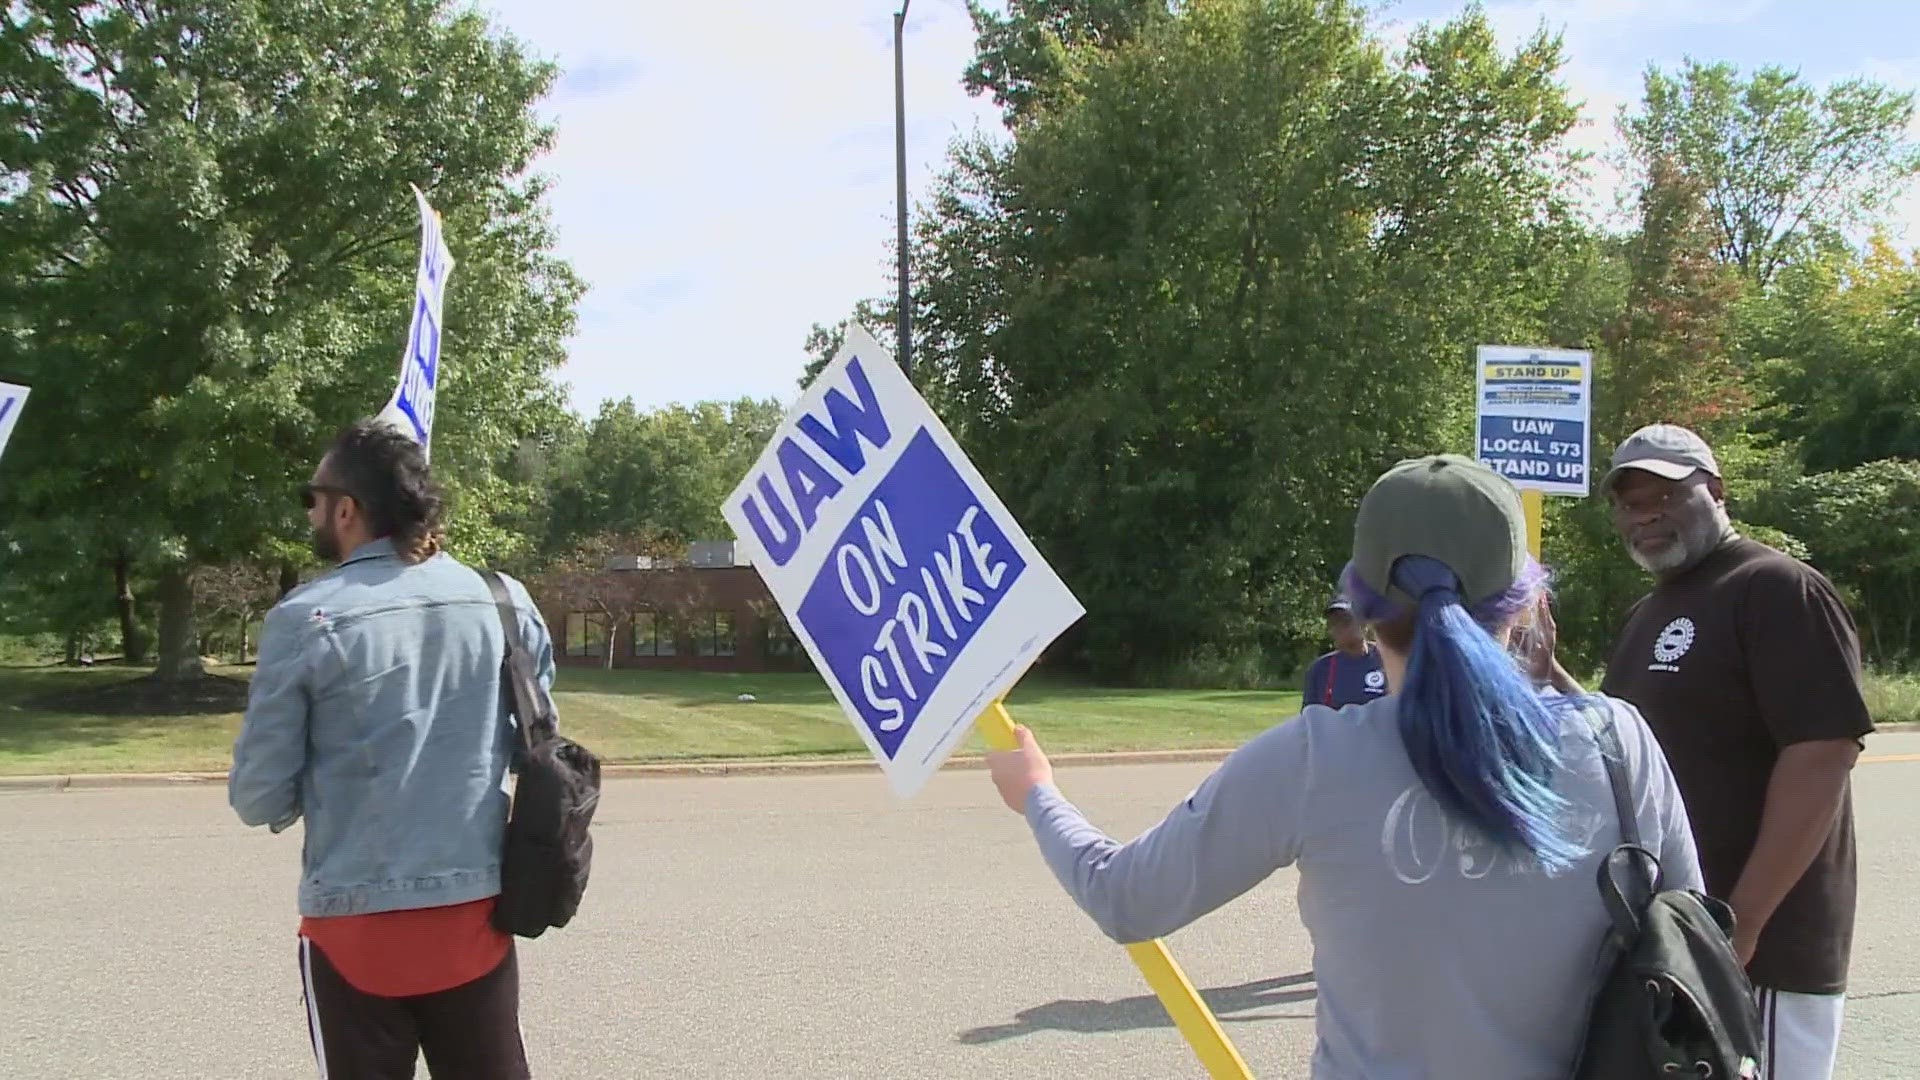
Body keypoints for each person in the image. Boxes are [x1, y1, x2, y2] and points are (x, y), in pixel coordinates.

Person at [986, 454, 1702, 1079]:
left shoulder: (1311, 760)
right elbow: (1695, 938)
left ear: (1359, 602)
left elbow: (1125, 898)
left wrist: (1038, 796)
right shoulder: (1617, 744)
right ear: (1525, 603)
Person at [228, 419, 556, 1080]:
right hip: (474, 919)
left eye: (311, 497)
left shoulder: (305, 618)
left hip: (355, 929)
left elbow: (258, 794)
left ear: (346, 509)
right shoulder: (504, 602)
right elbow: (538, 751)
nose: (311, 511)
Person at [1596, 423, 1873, 1080]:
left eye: (1665, 493)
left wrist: (1740, 925)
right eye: (1630, 501)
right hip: (1677, 945)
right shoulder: (1647, 614)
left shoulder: (1776, 588)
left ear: (1716, 490)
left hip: (1761, 952)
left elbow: (1822, 753)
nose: (1646, 514)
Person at [1300, 595, 1387, 708]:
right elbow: (1310, 719)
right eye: (1333, 623)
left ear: (1364, 623)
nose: (1338, 628)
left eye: (1345, 621)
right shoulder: (1320, 669)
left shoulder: (1389, 660)